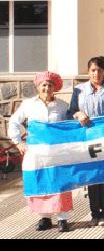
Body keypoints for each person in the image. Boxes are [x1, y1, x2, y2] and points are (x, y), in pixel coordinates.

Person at [8, 71, 73, 232]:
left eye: (50, 85)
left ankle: (63, 218)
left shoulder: (63, 106)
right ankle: (45, 217)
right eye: (44, 85)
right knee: (41, 182)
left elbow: (71, 126)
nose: (47, 88)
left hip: (57, 153)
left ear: (54, 87)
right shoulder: (29, 104)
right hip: (36, 154)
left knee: (60, 183)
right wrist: (19, 143)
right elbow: (14, 122)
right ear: (38, 87)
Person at [69, 56, 104, 226]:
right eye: (93, 70)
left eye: (100, 70)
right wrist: (78, 114)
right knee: (92, 176)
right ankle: (94, 212)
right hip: (87, 140)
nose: (96, 73)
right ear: (88, 72)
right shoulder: (79, 90)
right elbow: (71, 111)